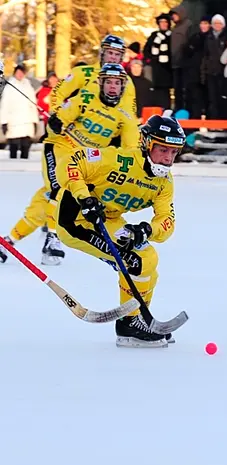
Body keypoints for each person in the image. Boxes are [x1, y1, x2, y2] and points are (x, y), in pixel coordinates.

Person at [54, 115, 185, 348]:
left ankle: (139, 319)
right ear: (147, 144)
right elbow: (71, 161)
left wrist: (146, 230)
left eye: (173, 152)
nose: (167, 158)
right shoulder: (119, 159)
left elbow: (167, 222)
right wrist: (84, 198)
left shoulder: (164, 183)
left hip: (108, 220)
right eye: (162, 149)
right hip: (74, 220)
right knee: (136, 261)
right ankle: (129, 325)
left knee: (148, 260)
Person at [0, 64, 139, 266]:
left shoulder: (125, 116)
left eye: (117, 83)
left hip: (83, 161)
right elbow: (59, 119)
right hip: (58, 148)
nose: (112, 87)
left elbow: (132, 151)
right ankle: (53, 238)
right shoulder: (85, 98)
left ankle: (7, 242)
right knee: (61, 189)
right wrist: (56, 121)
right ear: (100, 83)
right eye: (108, 82)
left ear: (123, 87)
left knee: (44, 203)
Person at [51, 35, 136, 118]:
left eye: (117, 54)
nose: (113, 57)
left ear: (121, 57)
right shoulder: (82, 72)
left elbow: (130, 112)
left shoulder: (127, 81)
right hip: (77, 127)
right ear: (102, 52)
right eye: (110, 53)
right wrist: (58, 115)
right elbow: (57, 93)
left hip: (109, 129)